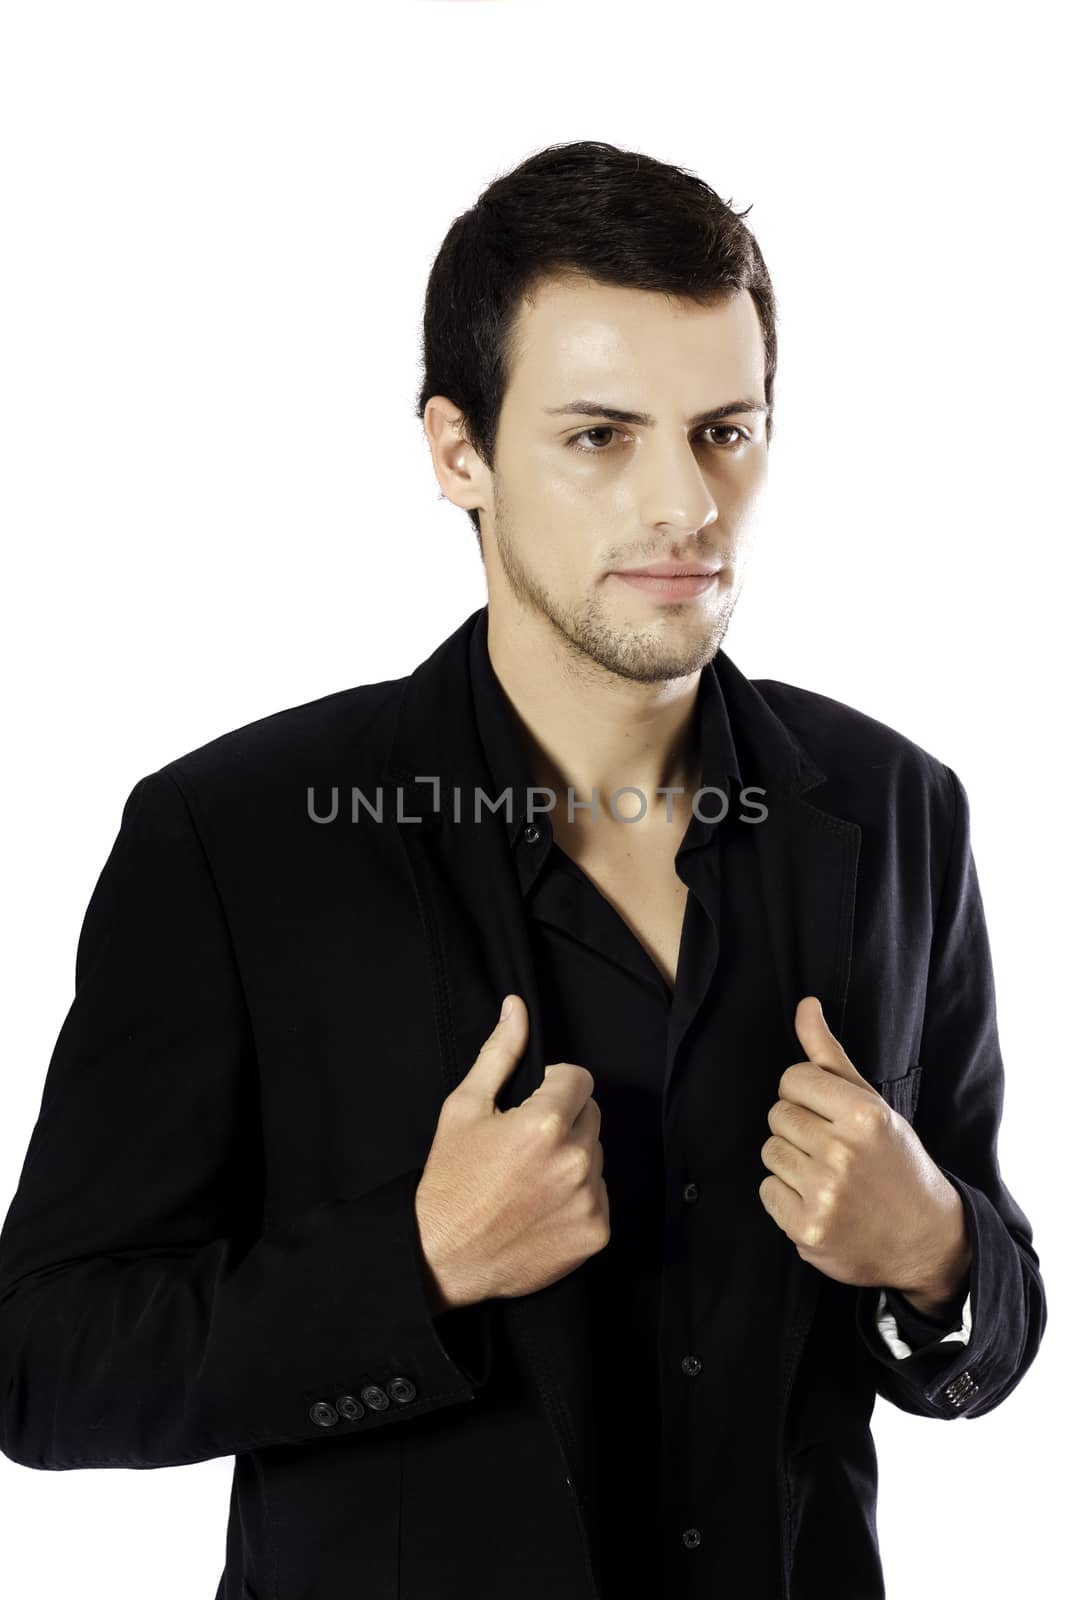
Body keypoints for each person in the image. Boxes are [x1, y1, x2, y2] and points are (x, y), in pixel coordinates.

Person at [0, 140, 1047, 1600]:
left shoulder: (899, 809)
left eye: (725, 431)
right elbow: (44, 1365)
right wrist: (414, 1263)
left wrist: (936, 1252)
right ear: (458, 451)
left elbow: (985, 1320)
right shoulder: (231, 838)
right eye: (601, 436)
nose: (685, 504)